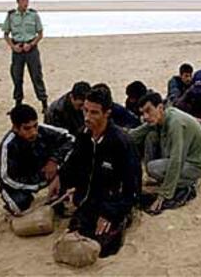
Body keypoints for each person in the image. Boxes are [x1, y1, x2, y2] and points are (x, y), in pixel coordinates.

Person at [59, 87, 142, 258]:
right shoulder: (83, 135)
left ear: (107, 113)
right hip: (87, 200)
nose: (88, 117)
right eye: (85, 111)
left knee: (102, 248)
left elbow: (132, 189)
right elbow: (72, 165)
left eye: (94, 113)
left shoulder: (122, 143)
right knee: (72, 243)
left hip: (112, 202)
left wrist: (111, 213)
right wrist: (66, 184)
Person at [129, 92, 201, 215]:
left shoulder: (175, 123)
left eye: (148, 111)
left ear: (160, 108)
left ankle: (188, 183)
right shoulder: (159, 118)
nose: (145, 116)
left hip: (195, 164)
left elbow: (177, 159)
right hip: (179, 158)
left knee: (153, 168)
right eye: (143, 113)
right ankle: (168, 179)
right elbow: (134, 135)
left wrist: (164, 194)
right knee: (150, 136)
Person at [0, 104, 75, 216]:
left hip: (46, 171)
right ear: (15, 128)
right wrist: (40, 186)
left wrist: (54, 161)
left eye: (35, 126)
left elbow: (70, 139)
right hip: (20, 181)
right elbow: (8, 178)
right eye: (27, 128)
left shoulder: (43, 131)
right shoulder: (8, 147)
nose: (33, 132)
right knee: (20, 207)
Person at [2, 0, 48, 112]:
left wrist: (32, 44)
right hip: (17, 49)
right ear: (18, 1)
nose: (25, 3)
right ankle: (18, 104)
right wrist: (13, 46)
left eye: (27, 0)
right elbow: (6, 34)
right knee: (17, 77)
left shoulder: (33, 15)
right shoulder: (11, 15)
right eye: (23, 0)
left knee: (36, 75)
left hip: (31, 48)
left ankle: (44, 103)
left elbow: (40, 34)